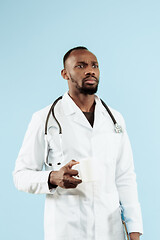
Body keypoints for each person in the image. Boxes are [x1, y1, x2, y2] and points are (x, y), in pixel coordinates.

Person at [13, 46, 143, 240]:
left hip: (110, 230)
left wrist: (134, 229)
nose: (90, 70)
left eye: (94, 65)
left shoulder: (115, 119)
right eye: (80, 66)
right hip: (67, 229)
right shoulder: (44, 119)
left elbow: (125, 177)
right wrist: (52, 177)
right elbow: (20, 176)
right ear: (65, 74)